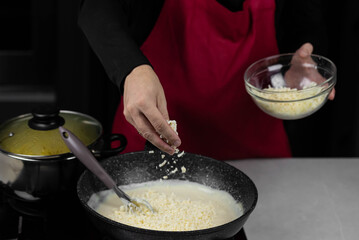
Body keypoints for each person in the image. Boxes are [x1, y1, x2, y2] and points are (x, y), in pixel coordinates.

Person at [78, 0, 334, 160]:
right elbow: (97, 8)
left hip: (255, 150)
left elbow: (306, 25)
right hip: (156, 144)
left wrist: (301, 63)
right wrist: (132, 69)